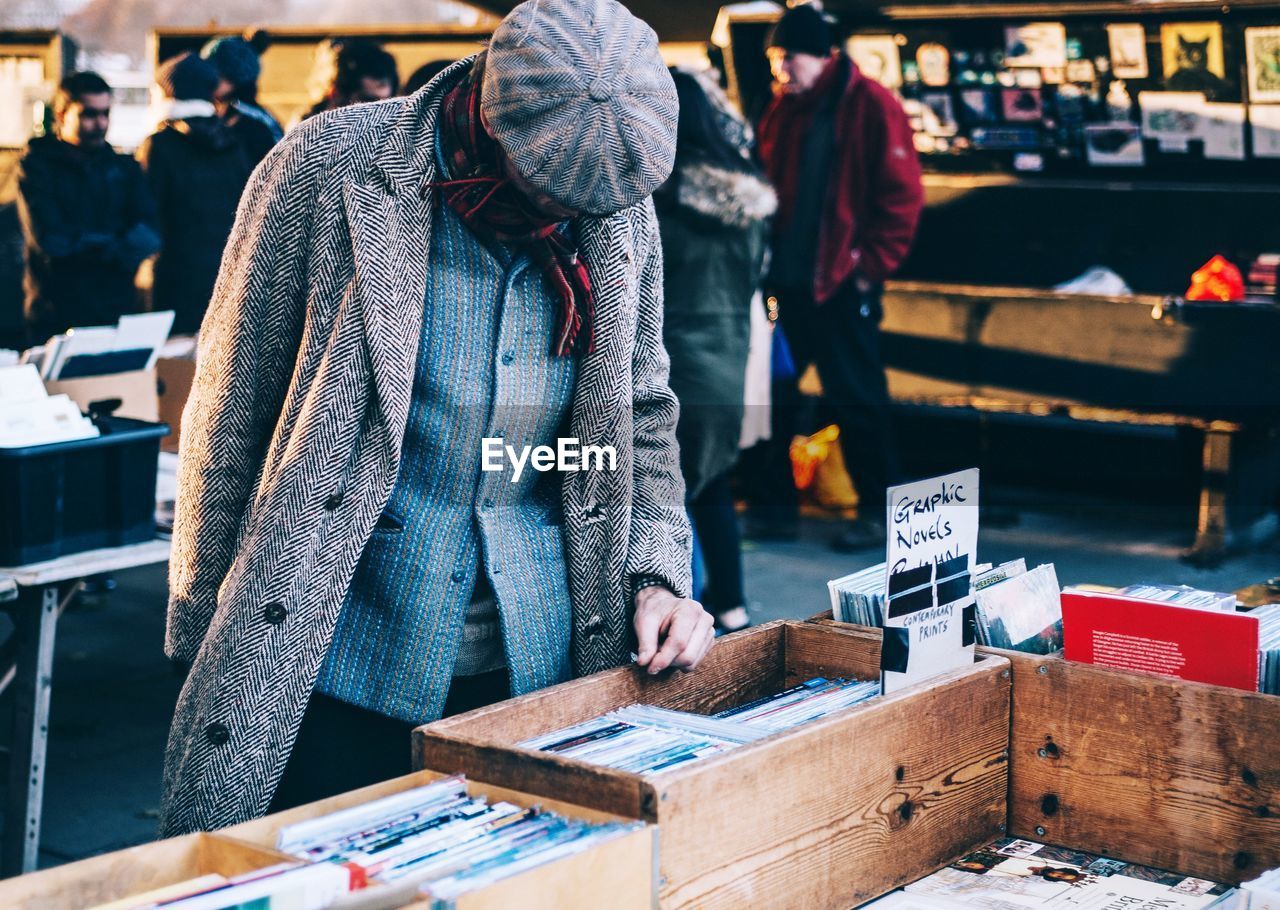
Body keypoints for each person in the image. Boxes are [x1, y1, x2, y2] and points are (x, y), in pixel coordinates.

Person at [160, 0, 711, 836]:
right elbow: (232, 402)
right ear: (491, 120)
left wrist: (658, 571)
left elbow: (637, 414)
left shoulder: (615, 207)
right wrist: (205, 636)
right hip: (329, 646)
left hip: (542, 664)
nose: (566, 223)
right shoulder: (326, 163)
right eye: (545, 193)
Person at [756, 3, 924, 552]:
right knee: (772, 397)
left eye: (789, 58)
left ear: (822, 55)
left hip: (839, 286)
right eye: (775, 58)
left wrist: (866, 270)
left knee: (859, 401)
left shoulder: (871, 105)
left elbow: (902, 197)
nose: (781, 69)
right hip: (788, 287)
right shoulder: (785, 108)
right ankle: (774, 509)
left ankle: (880, 516)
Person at [655, 68, 775, 633]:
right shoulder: (748, 200)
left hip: (672, 361)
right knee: (712, 484)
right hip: (731, 360)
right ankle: (730, 604)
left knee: (660, 489)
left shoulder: (660, 199)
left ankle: (685, 607)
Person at [16, 71, 158, 343]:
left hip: (114, 311)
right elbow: (49, 239)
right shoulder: (36, 167)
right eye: (88, 114)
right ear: (61, 115)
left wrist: (91, 245)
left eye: (106, 113)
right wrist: (114, 246)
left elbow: (150, 232)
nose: (100, 123)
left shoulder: (123, 168)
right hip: (54, 312)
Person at [137, 53, 255, 335]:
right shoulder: (233, 144)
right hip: (228, 277)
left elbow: (147, 212)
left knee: (176, 368)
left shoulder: (159, 146)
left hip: (175, 277)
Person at [201, 31, 282, 167]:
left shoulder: (244, 122)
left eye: (213, 72)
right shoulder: (259, 116)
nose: (206, 79)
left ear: (232, 79)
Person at [298, 38, 399, 122]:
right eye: (369, 103)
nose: (381, 112)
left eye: (388, 103)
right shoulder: (302, 133)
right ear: (335, 93)